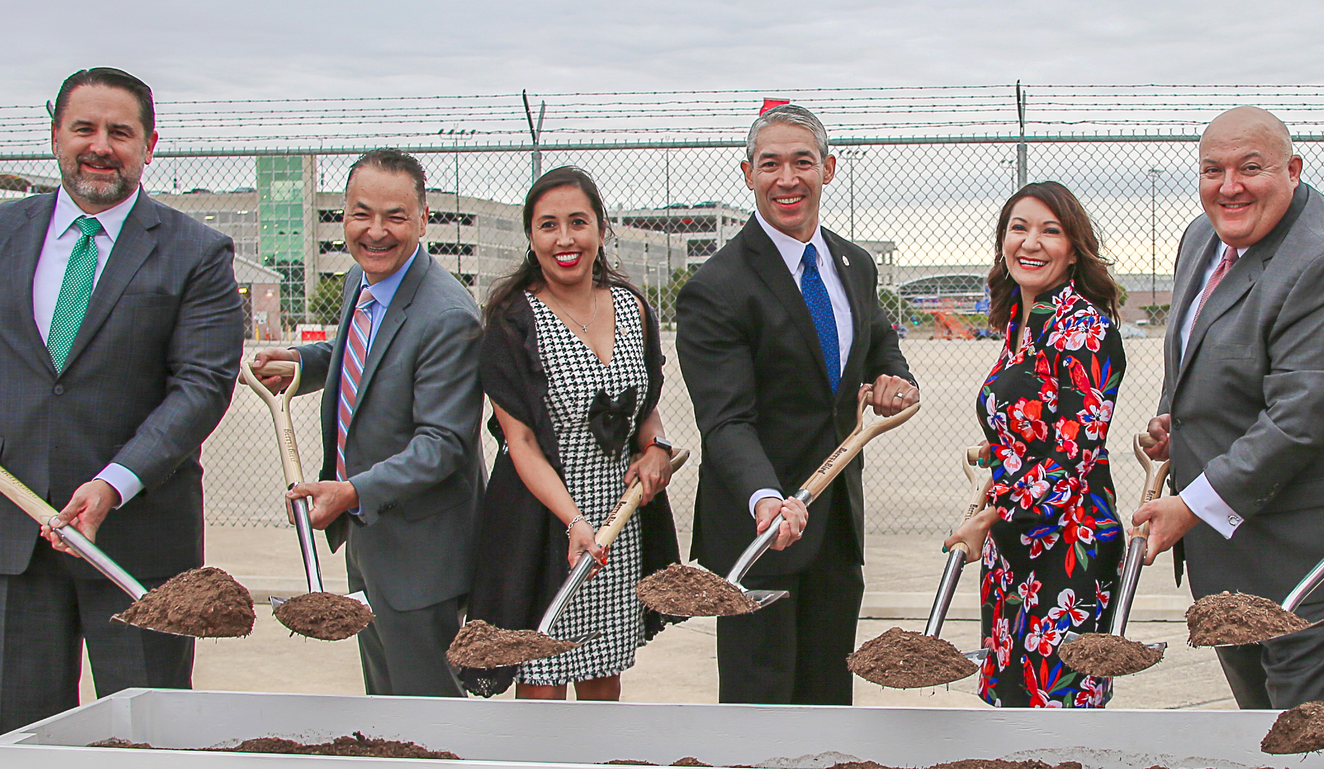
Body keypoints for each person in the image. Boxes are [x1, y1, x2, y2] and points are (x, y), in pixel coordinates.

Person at [0, 67, 244, 769]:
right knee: (27, 741)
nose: (100, 146)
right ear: (57, 134)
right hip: (14, 533)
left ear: (151, 145)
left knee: (143, 741)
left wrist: (112, 485)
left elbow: (201, 384)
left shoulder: (193, 250)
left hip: (136, 548)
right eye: (84, 127)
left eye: (121, 131)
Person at [1131, 106, 1324, 710]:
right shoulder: (1202, 238)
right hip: (1239, 553)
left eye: (1251, 168)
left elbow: (1300, 418)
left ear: (1293, 169)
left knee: (1314, 747)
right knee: (1263, 737)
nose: (1229, 186)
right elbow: (1202, 351)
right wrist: (1180, 419)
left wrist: (1191, 505)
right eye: (1212, 170)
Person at [675, 104, 918, 705]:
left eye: (802, 162)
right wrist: (766, 500)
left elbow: (879, 344)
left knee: (829, 695)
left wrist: (894, 377)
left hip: (834, 524)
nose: (788, 179)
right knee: (760, 702)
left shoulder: (854, 264)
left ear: (828, 169)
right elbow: (726, 419)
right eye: (771, 164)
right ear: (747, 173)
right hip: (761, 531)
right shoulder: (718, 287)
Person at [250, 149, 483, 698]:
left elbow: (443, 444)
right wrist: (303, 364)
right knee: (386, 701)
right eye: (361, 214)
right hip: (373, 540)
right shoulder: (366, 277)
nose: (376, 231)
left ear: (424, 219)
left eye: (395, 217)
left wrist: (353, 491)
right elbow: (369, 354)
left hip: (420, 557)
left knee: (426, 713)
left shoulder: (447, 316)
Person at [466, 167, 681, 699]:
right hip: (544, 524)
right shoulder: (512, 323)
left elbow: (643, 411)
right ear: (531, 237)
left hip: (618, 520)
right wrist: (574, 522)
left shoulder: (633, 308)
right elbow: (521, 442)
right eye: (548, 226)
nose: (565, 239)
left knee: (602, 673)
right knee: (541, 678)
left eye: (578, 222)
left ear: (602, 230)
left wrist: (656, 449)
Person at [942, 183, 1125, 707]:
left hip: (1068, 544)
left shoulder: (1083, 326)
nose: (1031, 242)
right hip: (1013, 542)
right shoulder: (1023, 324)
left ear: (1073, 248)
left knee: (1058, 708)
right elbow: (1039, 420)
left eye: (1051, 231)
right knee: (1011, 699)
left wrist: (988, 518)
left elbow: (1073, 453)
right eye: (1019, 228)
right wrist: (998, 446)